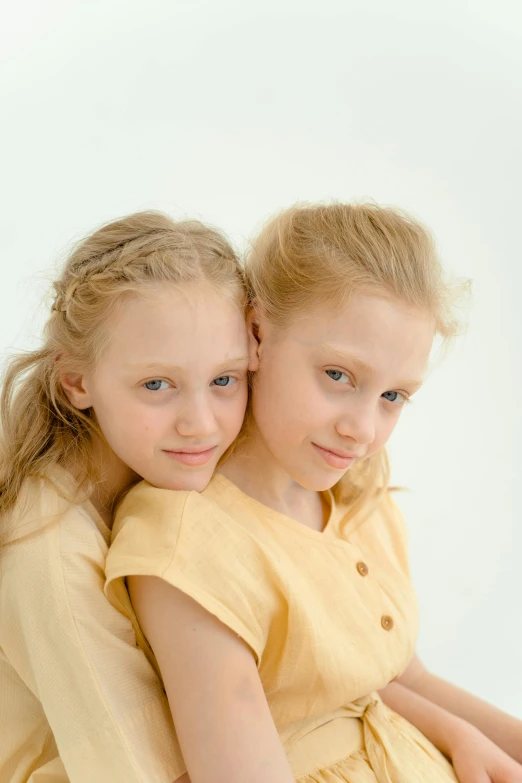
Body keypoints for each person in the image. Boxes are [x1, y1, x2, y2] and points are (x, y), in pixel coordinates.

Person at [106, 202, 522, 783]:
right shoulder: (187, 541)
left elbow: (398, 679)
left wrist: (465, 735)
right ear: (256, 334)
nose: (364, 429)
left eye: (393, 397)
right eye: (338, 376)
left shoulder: (355, 493)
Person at [0, 211, 250, 783]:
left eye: (224, 380)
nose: (201, 424)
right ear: (77, 381)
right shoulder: (54, 560)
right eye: (156, 385)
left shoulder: (161, 469)